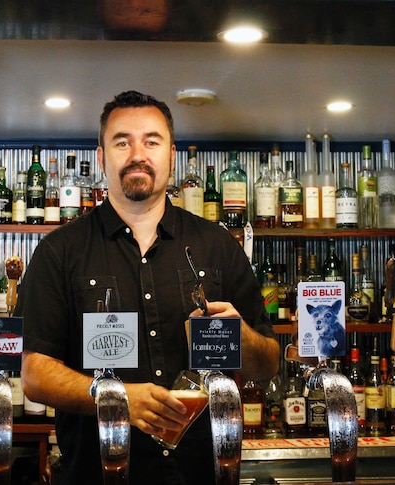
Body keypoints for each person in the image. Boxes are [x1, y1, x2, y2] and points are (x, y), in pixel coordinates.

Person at [18, 90, 280, 484]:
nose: (137, 153)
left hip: (201, 475)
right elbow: (35, 375)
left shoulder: (217, 246)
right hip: (98, 475)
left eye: (151, 141)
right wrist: (116, 397)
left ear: (171, 155)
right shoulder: (60, 251)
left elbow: (269, 364)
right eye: (122, 141)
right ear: (102, 157)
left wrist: (241, 338)